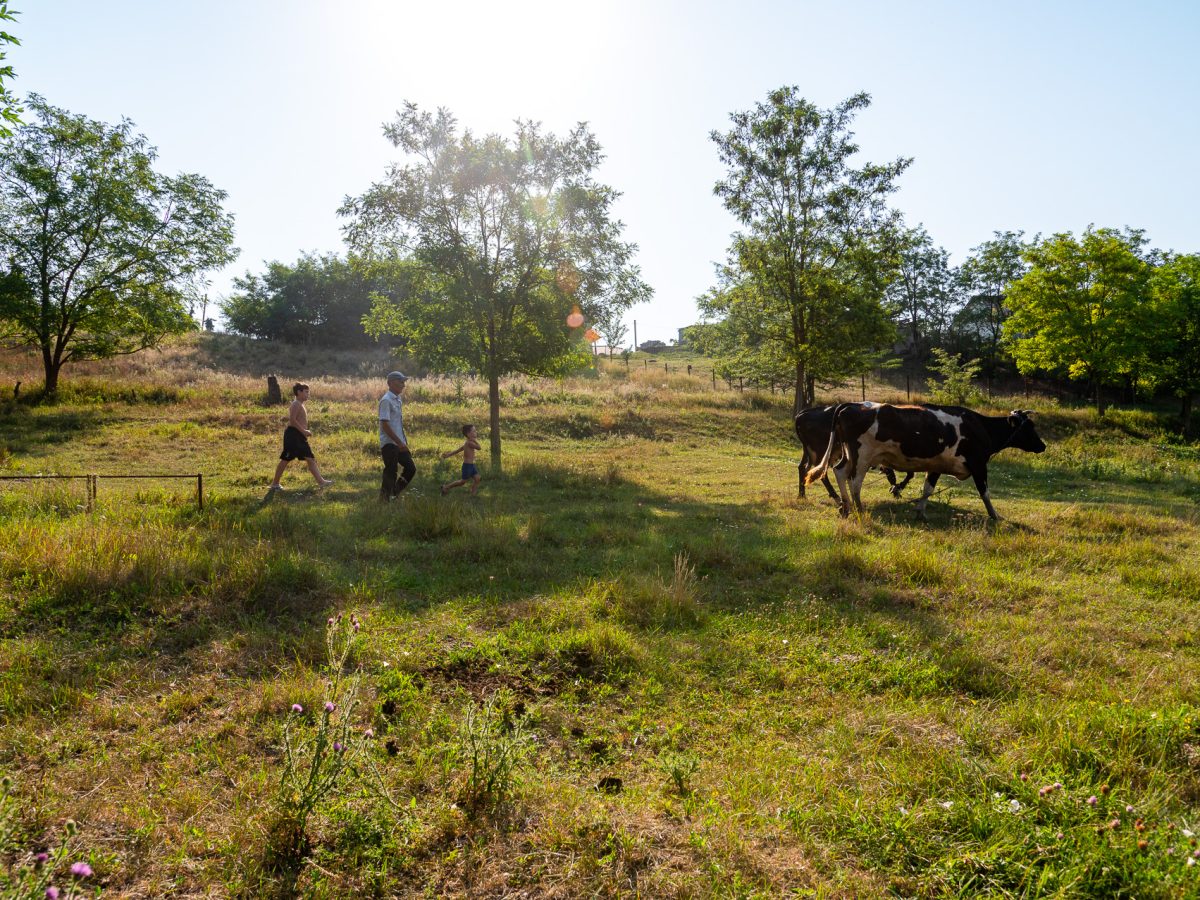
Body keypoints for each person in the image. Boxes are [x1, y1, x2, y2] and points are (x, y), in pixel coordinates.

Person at [269, 382, 333, 491]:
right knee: (286, 459)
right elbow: (292, 421)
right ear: (299, 392)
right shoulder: (296, 404)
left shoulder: (300, 404)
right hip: (293, 435)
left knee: (310, 458)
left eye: (309, 392)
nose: (308, 394)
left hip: (299, 436)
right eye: (306, 392)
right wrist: (304, 431)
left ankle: (321, 482)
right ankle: (275, 484)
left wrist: (303, 432)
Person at [379, 371, 415, 500]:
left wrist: (402, 441)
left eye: (403, 382)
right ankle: (384, 500)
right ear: (391, 383)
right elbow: (385, 425)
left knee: (411, 468)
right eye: (401, 382)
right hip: (389, 443)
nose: (403, 385)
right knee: (391, 471)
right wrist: (399, 442)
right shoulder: (386, 400)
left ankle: (394, 492)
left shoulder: (397, 399)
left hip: (399, 442)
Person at [441, 424, 482, 495]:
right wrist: (475, 440)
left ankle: (473, 492)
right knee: (462, 482)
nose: (476, 432)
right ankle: (446, 487)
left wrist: (448, 455)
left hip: (471, 466)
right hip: (467, 466)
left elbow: (458, 450)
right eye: (474, 431)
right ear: (469, 434)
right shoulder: (469, 443)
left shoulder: (467, 443)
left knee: (477, 478)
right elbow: (479, 447)